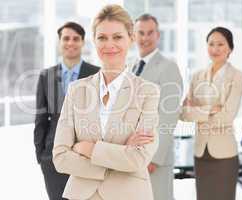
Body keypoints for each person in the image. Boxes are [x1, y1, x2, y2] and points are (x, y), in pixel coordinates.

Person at [52, 4, 160, 200]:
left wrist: (87, 149)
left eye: (117, 37)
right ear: (94, 40)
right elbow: (60, 157)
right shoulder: (77, 90)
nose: (109, 44)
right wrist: (118, 157)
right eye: (102, 37)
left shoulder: (148, 92)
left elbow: (138, 158)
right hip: (80, 195)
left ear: (131, 39)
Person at [33, 21, 99, 200]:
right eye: (66, 38)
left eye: (76, 39)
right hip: (53, 157)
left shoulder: (96, 74)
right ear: (59, 42)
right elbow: (40, 119)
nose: (71, 43)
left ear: (83, 42)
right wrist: (41, 156)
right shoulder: (46, 76)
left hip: (86, 157)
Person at [180, 27, 242, 200]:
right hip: (201, 153)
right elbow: (183, 113)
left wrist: (197, 111)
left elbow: (227, 116)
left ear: (230, 48)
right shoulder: (197, 76)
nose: (215, 49)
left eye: (220, 44)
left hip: (225, 155)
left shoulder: (237, 76)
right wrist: (210, 110)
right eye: (211, 44)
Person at [132, 13, 183, 200]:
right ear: (134, 35)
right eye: (141, 33)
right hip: (134, 156)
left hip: (154, 158)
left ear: (158, 35)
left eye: (150, 33)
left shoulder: (168, 67)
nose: (145, 38)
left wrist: (154, 157)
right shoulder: (133, 66)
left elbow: (169, 116)